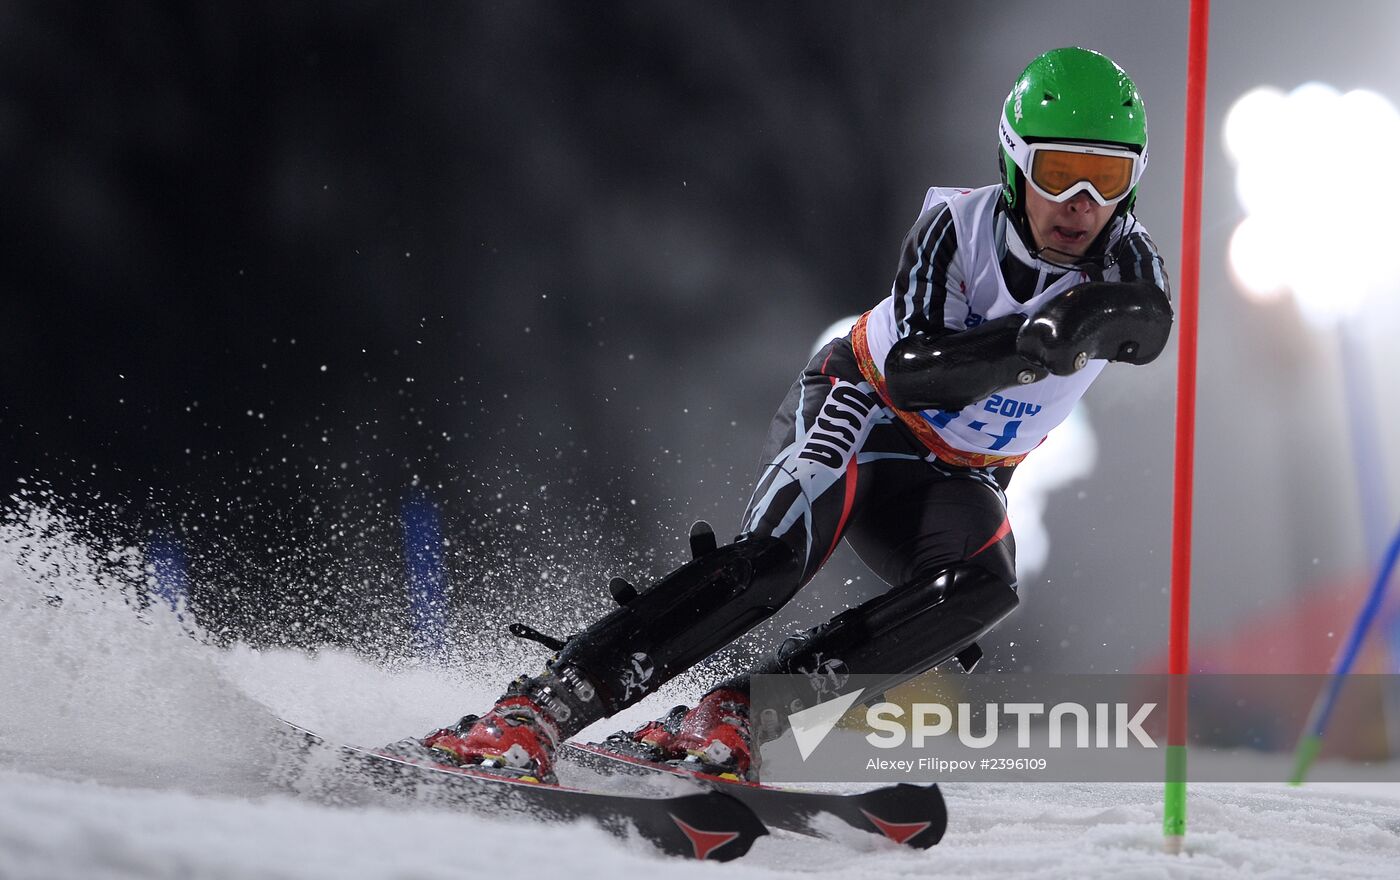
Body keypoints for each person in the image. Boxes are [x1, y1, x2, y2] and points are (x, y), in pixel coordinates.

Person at [413, 46, 1173, 783]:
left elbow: (1149, 323)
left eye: (1108, 179)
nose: (1082, 206)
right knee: (773, 559)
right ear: (1014, 164)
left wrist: (1085, 321)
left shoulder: (1125, 260)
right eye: (1060, 173)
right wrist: (1030, 343)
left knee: (983, 587)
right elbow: (913, 378)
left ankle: (740, 713)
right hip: (865, 408)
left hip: (957, 471)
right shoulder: (958, 228)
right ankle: (538, 709)